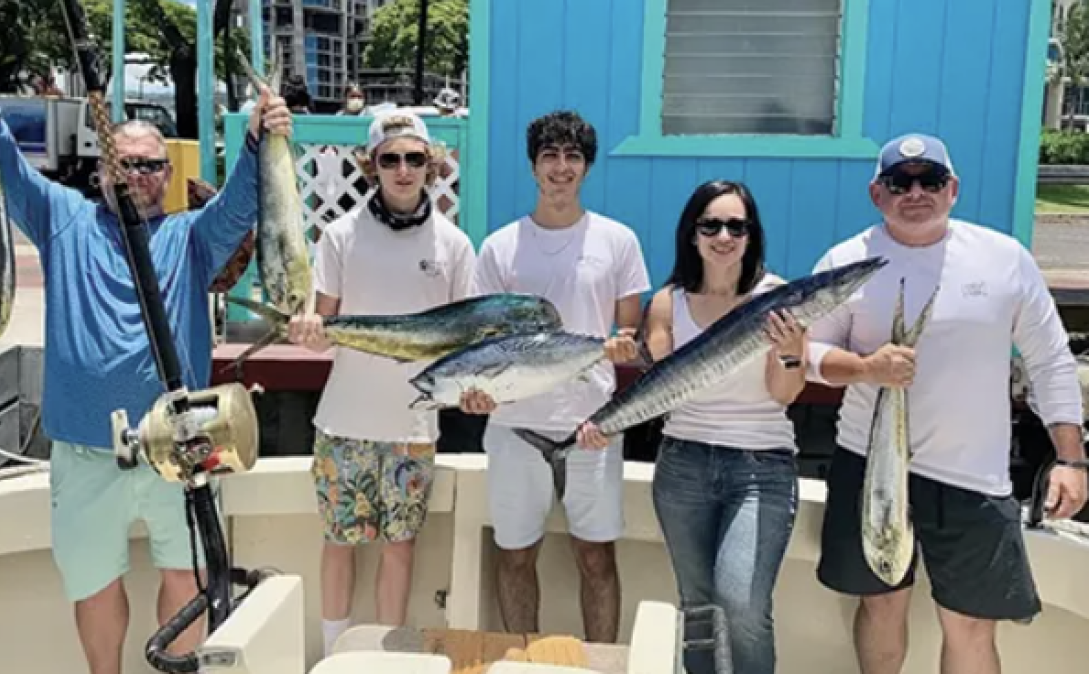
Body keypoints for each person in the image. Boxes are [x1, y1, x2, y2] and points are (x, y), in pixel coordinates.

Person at [0, 71, 290, 674]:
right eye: (124, 163)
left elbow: (239, 206)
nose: (137, 175)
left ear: (168, 175)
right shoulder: (63, 219)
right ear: (101, 170)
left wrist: (259, 139)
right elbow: (9, 174)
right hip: (83, 450)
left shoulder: (191, 238)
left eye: (150, 165)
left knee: (187, 575)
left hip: (179, 444)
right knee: (94, 585)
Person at [806, 133, 1088, 674]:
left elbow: (1050, 360)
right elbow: (806, 354)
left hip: (973, 475)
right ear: (877, 194)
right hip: (871, 468)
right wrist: (866, 369)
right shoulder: (845, 261)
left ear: (953, 188)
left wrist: (1071, 459)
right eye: (899, 183)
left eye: (930, 180)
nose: (916, 193)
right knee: (880, 606)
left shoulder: (1004, 259)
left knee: (972, 624)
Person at [288, 110, 476, 657]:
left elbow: (465, 339)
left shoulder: (456, 245)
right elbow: (324, 326)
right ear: (371, 166)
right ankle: (335, 657)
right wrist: (307, 330)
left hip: (413, 430)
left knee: (400, 548)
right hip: (343, 423)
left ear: (430, 164)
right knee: (338, 543)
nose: (402, 169)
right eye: (390, 159)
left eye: (414, 158)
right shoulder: (339, 235)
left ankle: (384, 658)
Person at [459, 110, 651, 643]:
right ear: (533, 167)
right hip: (514, 426)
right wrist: (478, 394)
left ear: (586, 167)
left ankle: (601, 662)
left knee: (596, 557)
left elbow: (628, 328)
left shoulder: (618, 240)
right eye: (550, 156)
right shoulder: (499, 246)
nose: (561, 167)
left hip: (592, 427)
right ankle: (526, 658)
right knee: (515, 555)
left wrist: (623, 344)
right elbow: (483, 341)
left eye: (572, 156)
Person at [618, 180, 803, 674]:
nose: (724, 237)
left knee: (742, 604)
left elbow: (784, 393)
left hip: (761, 465)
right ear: (692, 233)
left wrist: (790, 351)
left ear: (751, 235)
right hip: (684, 462)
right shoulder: (668, 303)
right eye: (711, 225)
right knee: (697, 605)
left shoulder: (778, 298)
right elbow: (666, 388)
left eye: (736, 227)